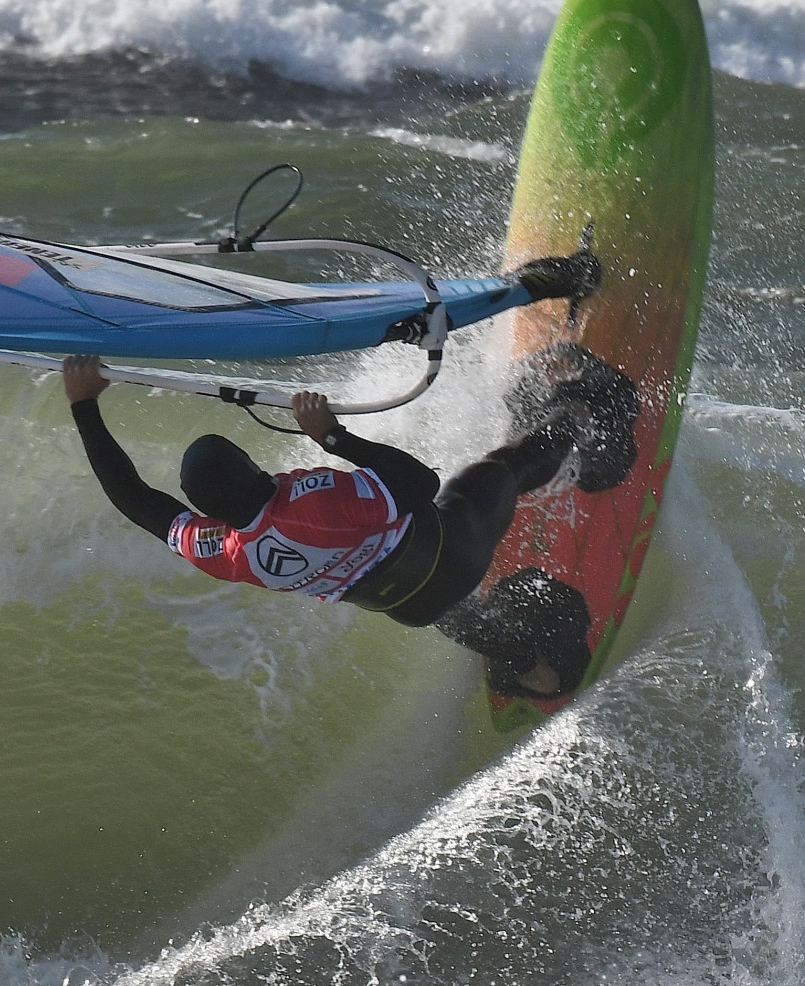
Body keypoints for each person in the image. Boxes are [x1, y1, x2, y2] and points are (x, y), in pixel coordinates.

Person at [63, 253, 638, 698]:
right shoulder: (315, 503)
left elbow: (136, 501)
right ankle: (592, 435)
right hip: (452, 550)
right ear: (256, 469)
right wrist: (332, 437)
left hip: (415, 607)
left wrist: (83, 407)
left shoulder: (225, 549)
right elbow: (420, 485)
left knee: (423, 595)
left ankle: (526, 667)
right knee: (501, 471)